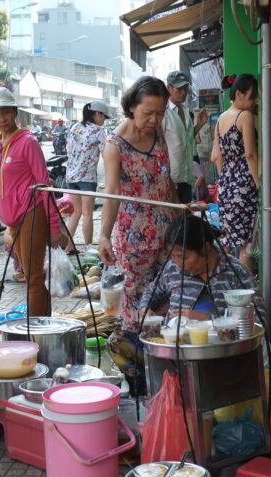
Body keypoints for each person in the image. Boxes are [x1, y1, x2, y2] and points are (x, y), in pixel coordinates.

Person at [99, 76, 175, 333]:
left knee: (167, 294)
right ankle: (138, 361)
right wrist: (104, 236)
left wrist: (181, 218)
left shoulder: (158, 132)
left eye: (160, 113)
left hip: (167, 233)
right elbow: (112, 193)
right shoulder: (115, 145)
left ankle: (165, 357)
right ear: (132, 106)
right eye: (148, 113)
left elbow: (167, 180)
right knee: (135, 301)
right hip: (135, 240)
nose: (154, 120)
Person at [0, 87, 63, 316]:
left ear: (15, 112)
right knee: (28, 275)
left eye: (6, 112)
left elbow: (44, 185)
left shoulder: (28, 142)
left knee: (34, 276)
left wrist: (55, 226)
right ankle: (42, 326)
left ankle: (37, 333)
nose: (2, 119)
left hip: (32, 211)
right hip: (12, 219)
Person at [139, 213, 264, 321]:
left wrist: (208, 320)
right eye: (173, 256)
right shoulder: (171, 269)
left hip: (224, 347)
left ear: (205, 248)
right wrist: (145, 308)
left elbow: (258, 317)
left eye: (183, 257)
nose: (177, 262)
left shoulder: (235, 272)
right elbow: (152, 293)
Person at [211, 74, 259, 271]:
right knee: (246, 244)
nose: (255, 101)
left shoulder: (221, 119)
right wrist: (259, 183)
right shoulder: (244, 116)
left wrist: (225, 182)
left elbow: (216, 156)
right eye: (252, 96)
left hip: (227, 185)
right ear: (239, 94)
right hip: (245, 183)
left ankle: (225, 284)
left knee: (229, 240)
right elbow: (250, 154)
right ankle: (245, 293)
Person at [64, 101, 108, 253]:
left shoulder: (74, 127)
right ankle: (89, 248)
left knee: (76, 212)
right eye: (104, 116)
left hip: (71, 176)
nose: (104, 120)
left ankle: (68, 246)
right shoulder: (99, 131)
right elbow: (106, 155)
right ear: (97, 114)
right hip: (87, 178)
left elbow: (68, 150)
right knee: (87, 213)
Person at [162, 71, 208, 204]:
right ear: (169, 88)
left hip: (186, 175)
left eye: (185, 88)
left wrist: (199, 124)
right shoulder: (163, 112)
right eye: (179, 88)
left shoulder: (186, 111)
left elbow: (186, 140)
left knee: (184, 216)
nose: (183, 92)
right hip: (171, 177)